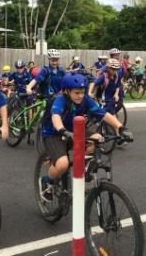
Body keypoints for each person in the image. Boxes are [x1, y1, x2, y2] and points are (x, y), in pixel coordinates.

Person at [38, 73, 132, 202]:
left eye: (83, 92)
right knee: (62, 164)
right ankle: (46, 181)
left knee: (98, 138)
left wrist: (121, 128)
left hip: (76, 129)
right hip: (54, 133)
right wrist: (63, 131)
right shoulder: (60, 99)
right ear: (66, 91)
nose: (81, 96)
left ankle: (82, 167)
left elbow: (103, 114)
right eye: (77, 93)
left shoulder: (85, 99)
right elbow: (56, 117)